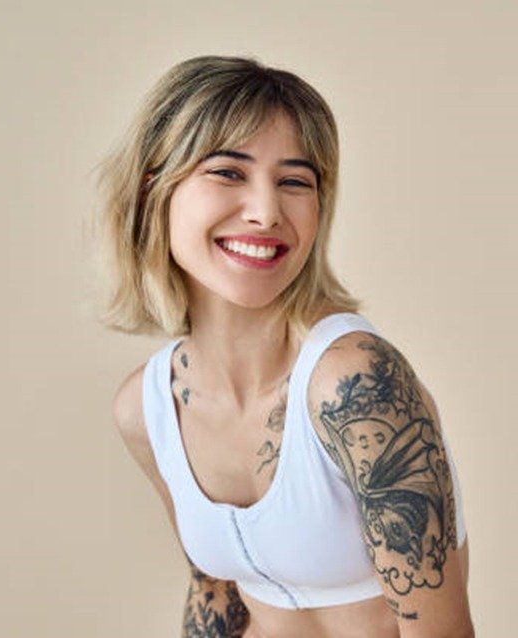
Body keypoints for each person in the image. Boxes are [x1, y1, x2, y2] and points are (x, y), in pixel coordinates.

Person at [92, 55, 474, 637]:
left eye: (294, 181)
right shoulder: (147, 409)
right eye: (228, 172)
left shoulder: (354, 385)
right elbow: (213, 590)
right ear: (154, 190)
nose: (266, 212)